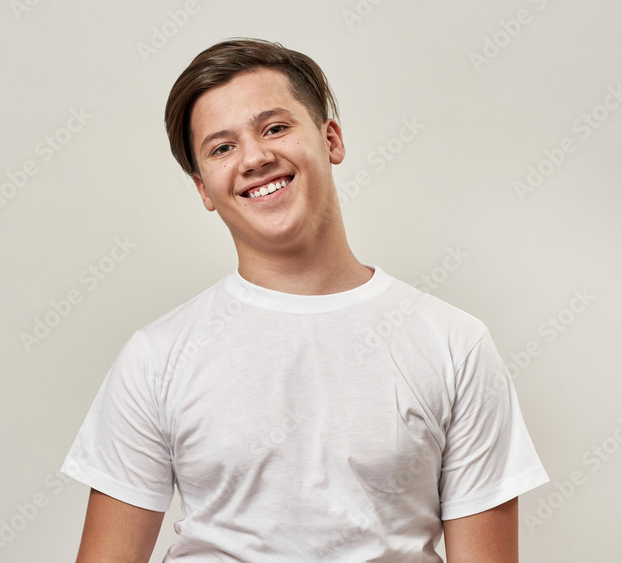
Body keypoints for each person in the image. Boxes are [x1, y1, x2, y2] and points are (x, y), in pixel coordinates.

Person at [61, 37, 550, 562]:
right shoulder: (155, 357)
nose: (255, 158)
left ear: (331, 139)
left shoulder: (455, 344)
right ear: (203, 188)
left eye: (275, 128)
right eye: (222, 148)